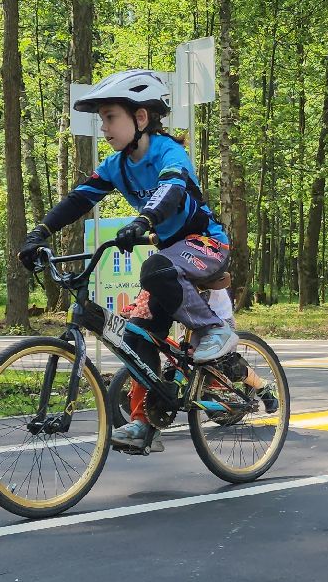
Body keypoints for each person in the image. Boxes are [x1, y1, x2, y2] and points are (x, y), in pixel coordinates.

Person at [20, 68, 237, 454]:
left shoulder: (170, 152)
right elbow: (78, 200)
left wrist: (143, 221)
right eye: (101, 119)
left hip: (205, 245)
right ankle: (143, 422)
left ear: (140, 118)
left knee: (155, 269)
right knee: (136, 332)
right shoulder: (116, 165)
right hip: (172, 253)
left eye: (110, 118)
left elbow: (171, 190)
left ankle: (215, 331)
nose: (104, 128)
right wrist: (40, 232)